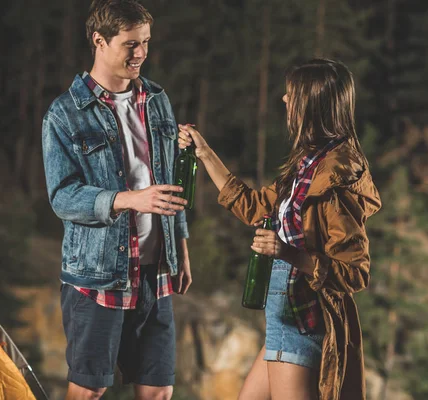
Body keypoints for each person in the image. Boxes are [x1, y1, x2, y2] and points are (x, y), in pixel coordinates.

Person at [178, 59, 381, 400]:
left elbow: (354, 274)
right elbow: (254, 207)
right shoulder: (308, 164)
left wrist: (285, 252)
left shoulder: (335, 178)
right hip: (283, 319)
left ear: (312, 104)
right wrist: (205, 153)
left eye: (291, 95)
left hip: (302, 322)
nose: (284, 101)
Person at [41, 1, 192, 399]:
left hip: (156, 273)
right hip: (98, 277)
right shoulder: (64, 115)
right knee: (88, 392)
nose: (140, 53)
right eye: (130, 44)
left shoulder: (158, 100)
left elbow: (170, 184)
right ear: (99, 41)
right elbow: (63, 197)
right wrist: (129, 199)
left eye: (145, 42)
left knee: (158, 393)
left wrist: (181, 249)